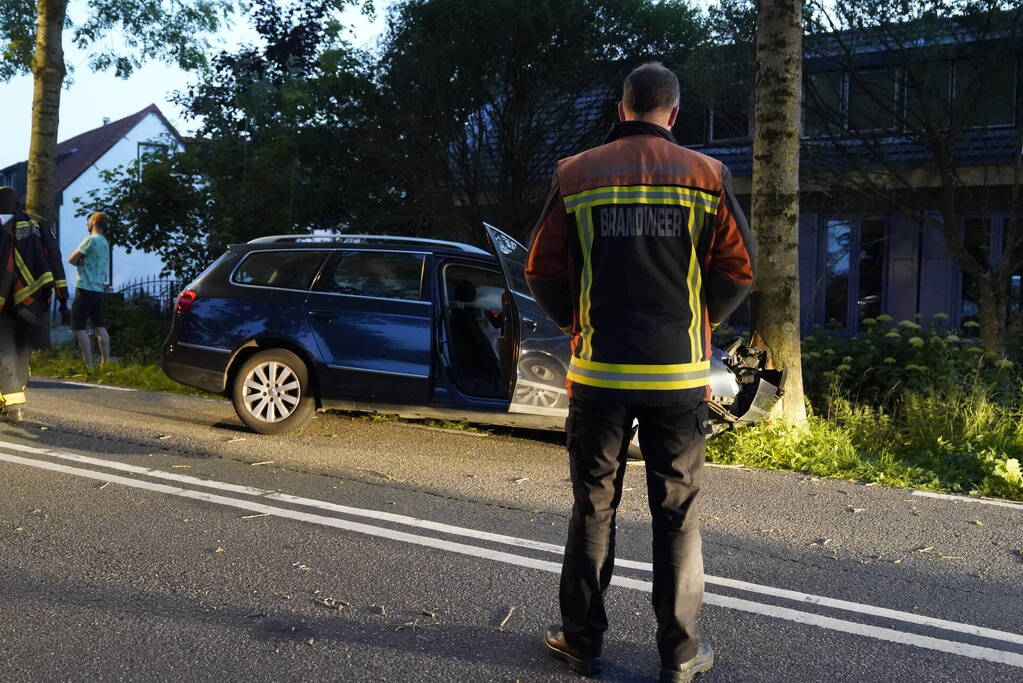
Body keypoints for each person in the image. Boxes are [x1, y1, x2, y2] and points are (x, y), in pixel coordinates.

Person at [526, 63, 755, 682]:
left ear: (623, 105)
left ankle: (582, 643)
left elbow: (540, 268)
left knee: (593, 506)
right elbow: (739, 270)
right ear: (672, 114)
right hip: (678, 377)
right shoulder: (708, 176)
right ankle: (680, 654)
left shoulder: (576, 174)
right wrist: (698, 321)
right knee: (677, 512)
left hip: (599, 373)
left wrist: (577, 320)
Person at [0, 186, 69, 421]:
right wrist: (63, 297)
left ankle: (13, 406)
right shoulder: (37, 225)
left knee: (4, 350)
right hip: (32, 301)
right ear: (17, 204)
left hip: (3, 303)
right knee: (22, 349)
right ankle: (14, 395)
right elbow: (55, 259)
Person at [68, 211, 111, 367]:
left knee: (78, 327)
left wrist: (79, 263)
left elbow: (71, 259)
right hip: (98, 289)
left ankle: (88, 365)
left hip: (85, 288)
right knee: (100, 326)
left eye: (88, 222)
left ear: (93, 223)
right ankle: (105, 364)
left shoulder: (89, 240)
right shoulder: (105, 242)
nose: (87, 224)